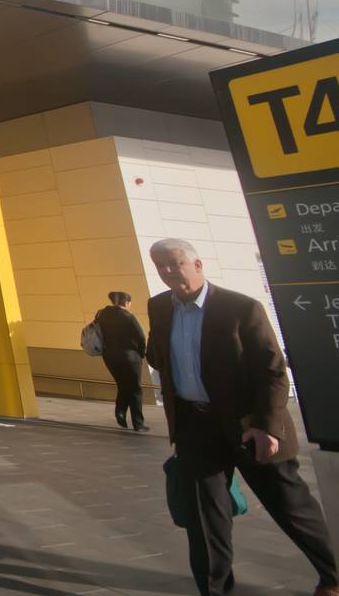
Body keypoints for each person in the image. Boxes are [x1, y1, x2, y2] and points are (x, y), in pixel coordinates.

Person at [145, 238, 338, 596]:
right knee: (205, 522)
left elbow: (273, 372)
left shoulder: (241, 308)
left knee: (291, 507)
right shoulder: (159, 307)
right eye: (160, 266)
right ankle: (215, 591)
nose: (168, 271)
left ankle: (332, 576)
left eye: (175, 263)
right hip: (195, 427)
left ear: (197, 264)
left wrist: (266, 426)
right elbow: (157, 355)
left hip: (249, 425)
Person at [94, 290, 148, 431]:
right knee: (135, 388)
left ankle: (120, 412)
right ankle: (138, 423)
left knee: (123, 384)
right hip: (130, 356)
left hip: (109, 356)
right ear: (126, 302)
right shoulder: (128, 317)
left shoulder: (101, 315)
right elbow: (141, 337)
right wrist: (141, 353)